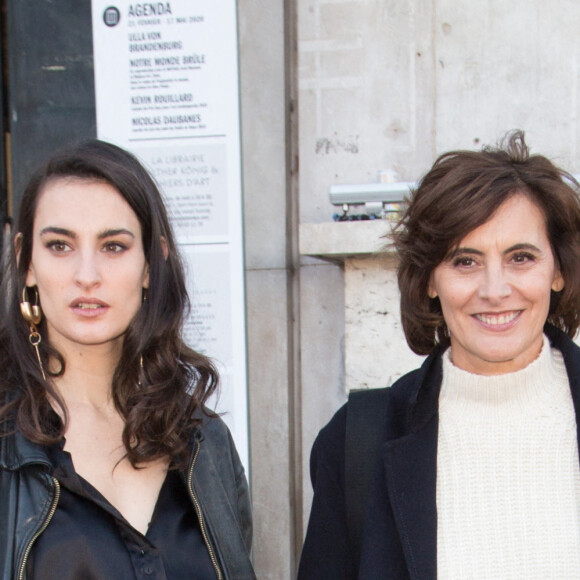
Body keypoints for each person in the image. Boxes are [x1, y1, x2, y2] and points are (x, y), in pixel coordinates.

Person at [298, 131, 580, 579]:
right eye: (464, 261)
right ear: (430, 280)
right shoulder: (355, 442)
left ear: (559, 271)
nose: (494, 289)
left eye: (521, 257)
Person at [0, 140, 255, 580]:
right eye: (60, 245)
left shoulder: (205, 443)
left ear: (151, 264)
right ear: (26, 261)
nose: (87, 275)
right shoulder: (8, 442)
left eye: (113, 246)